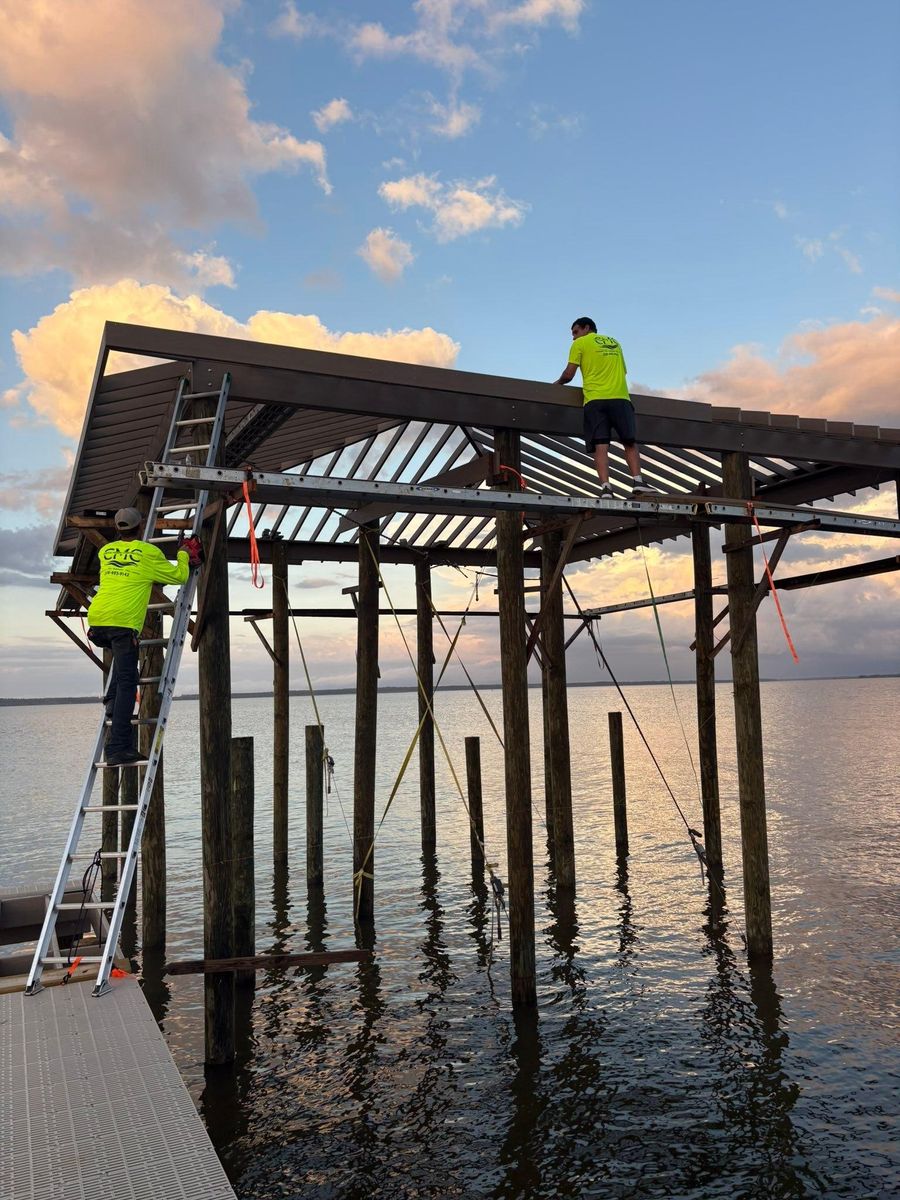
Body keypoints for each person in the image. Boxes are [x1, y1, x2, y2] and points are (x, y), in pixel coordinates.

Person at [87, 507, 202, 765]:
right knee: (129, 682)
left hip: (97, 622)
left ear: (118, 529)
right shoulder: (149, 552)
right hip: (122, 622)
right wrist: (183, 554)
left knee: (122, 671)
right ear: (140, 528)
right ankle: (117, 747)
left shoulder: (106, 552)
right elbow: (180, 575)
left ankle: (110, 704)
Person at [554, 317, 656, 498]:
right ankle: (638, 482)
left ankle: (606, 488)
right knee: (629, 441)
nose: (573, 337)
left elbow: (569, 374)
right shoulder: (615, 343)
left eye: (575, 332)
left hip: (595, 400)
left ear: (586, 328)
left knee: (600, 445)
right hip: (620, 398)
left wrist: (556, 385)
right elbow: (623, 371)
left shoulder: (580, 344)